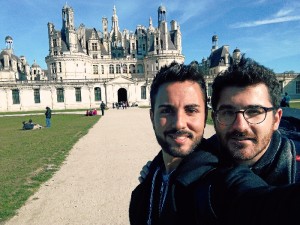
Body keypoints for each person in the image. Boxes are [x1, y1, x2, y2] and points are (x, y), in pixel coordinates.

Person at [130, 61, 300, 225]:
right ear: (214, 117)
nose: (240, 126)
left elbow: (258, 201)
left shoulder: (217, 177)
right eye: (227, 112)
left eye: (254, 112)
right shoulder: (148, 184)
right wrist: (154, 170)